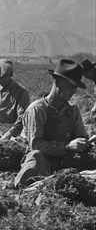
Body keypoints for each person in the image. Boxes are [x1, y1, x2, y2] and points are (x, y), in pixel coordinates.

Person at [14, 59, 96, 188]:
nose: (74, 91)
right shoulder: (37, 110)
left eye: (75, 87)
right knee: (35, 157)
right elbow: (36, 144)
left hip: (67, 161)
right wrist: (67, 146)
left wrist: (85, 143)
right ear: (58, 81)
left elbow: (80, 138)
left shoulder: (72, 110)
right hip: (45, 162)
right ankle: (31, 185)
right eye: (71, 86)